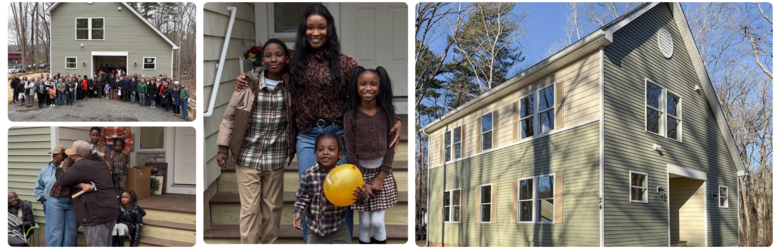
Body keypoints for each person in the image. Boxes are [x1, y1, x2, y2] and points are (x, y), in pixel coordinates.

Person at [233, 4, 403, 241]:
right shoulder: (292, 61)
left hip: (338, 135)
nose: (315, 33)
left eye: (321, 27)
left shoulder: (345, 64)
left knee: (343, 194)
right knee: (313, 192)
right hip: (308, 137)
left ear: (329, 30)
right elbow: (268, 68)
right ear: (303, 31)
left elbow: (368, 91)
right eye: (310, 28)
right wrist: (246, 76)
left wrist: (394, 119)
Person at [216, 39, 293, 244]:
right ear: (262, 59)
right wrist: (223, 148)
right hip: (247, 156)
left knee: (272, 207)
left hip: (275, 157)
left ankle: (269, 243)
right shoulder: (247, 84)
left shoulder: (292, 86)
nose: (273, 59)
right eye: (268, 55)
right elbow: (229, 117)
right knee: (249, 209)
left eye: (279, 55)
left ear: (287, 58)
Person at [344, 66, 398, 244]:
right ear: (356, 87)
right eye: (363, 84)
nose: (368, 88)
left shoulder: (387, 114)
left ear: (380, 87)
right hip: (361, 176)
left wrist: (381, 177)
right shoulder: (350, 116)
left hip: (381, 174)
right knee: (365, 223)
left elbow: (391, 147)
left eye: (373, 84)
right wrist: (361, 182)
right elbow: (350, 149)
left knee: (377, 221)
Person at [293, 133, 368, 244]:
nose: (325, 152)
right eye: (320, 149)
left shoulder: (346, 177)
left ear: (340, 154)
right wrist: (298, 214)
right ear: (315, 153)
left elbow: (353, 199)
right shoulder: (308, 175)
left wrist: (362, 197)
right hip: (315, 232)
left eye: (331, 149)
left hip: (339, 230)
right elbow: (302, 199)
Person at [55, 140, 119, 247]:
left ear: (82, 155)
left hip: (96, 215)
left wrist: (59, 168)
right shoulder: (100, 161)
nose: (71, 158)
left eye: (73, 155)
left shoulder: (81, 165)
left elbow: (63, 180)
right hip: (110, 211)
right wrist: (80, 184)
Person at [33, 145, 78, 246]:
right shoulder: (46, 170)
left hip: (71, 202)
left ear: (63, 155)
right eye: (52, 155)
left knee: (70, 233)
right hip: (52, 203)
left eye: (56, 155)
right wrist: (43, 200)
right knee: (55, 233)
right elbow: (38, 186)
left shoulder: (72, 166)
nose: (53, 156)